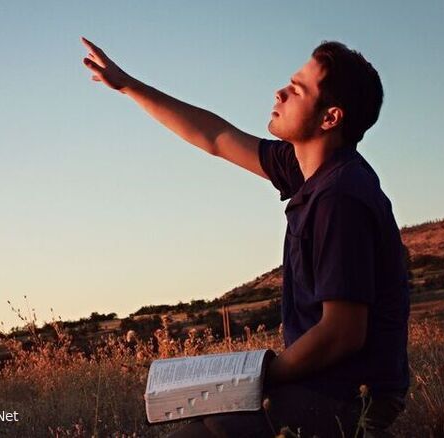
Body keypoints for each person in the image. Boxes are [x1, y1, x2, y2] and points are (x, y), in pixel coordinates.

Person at [81, 37, 410, 437]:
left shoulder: (340, 197)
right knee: (203, 420)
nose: (281, 92)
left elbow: (341, 333)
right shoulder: (305, 168)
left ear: (330, 117)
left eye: (298, 90)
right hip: (323, 385)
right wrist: (128, 85)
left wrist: (260, 376)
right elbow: (216, 137)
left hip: (351, 398)